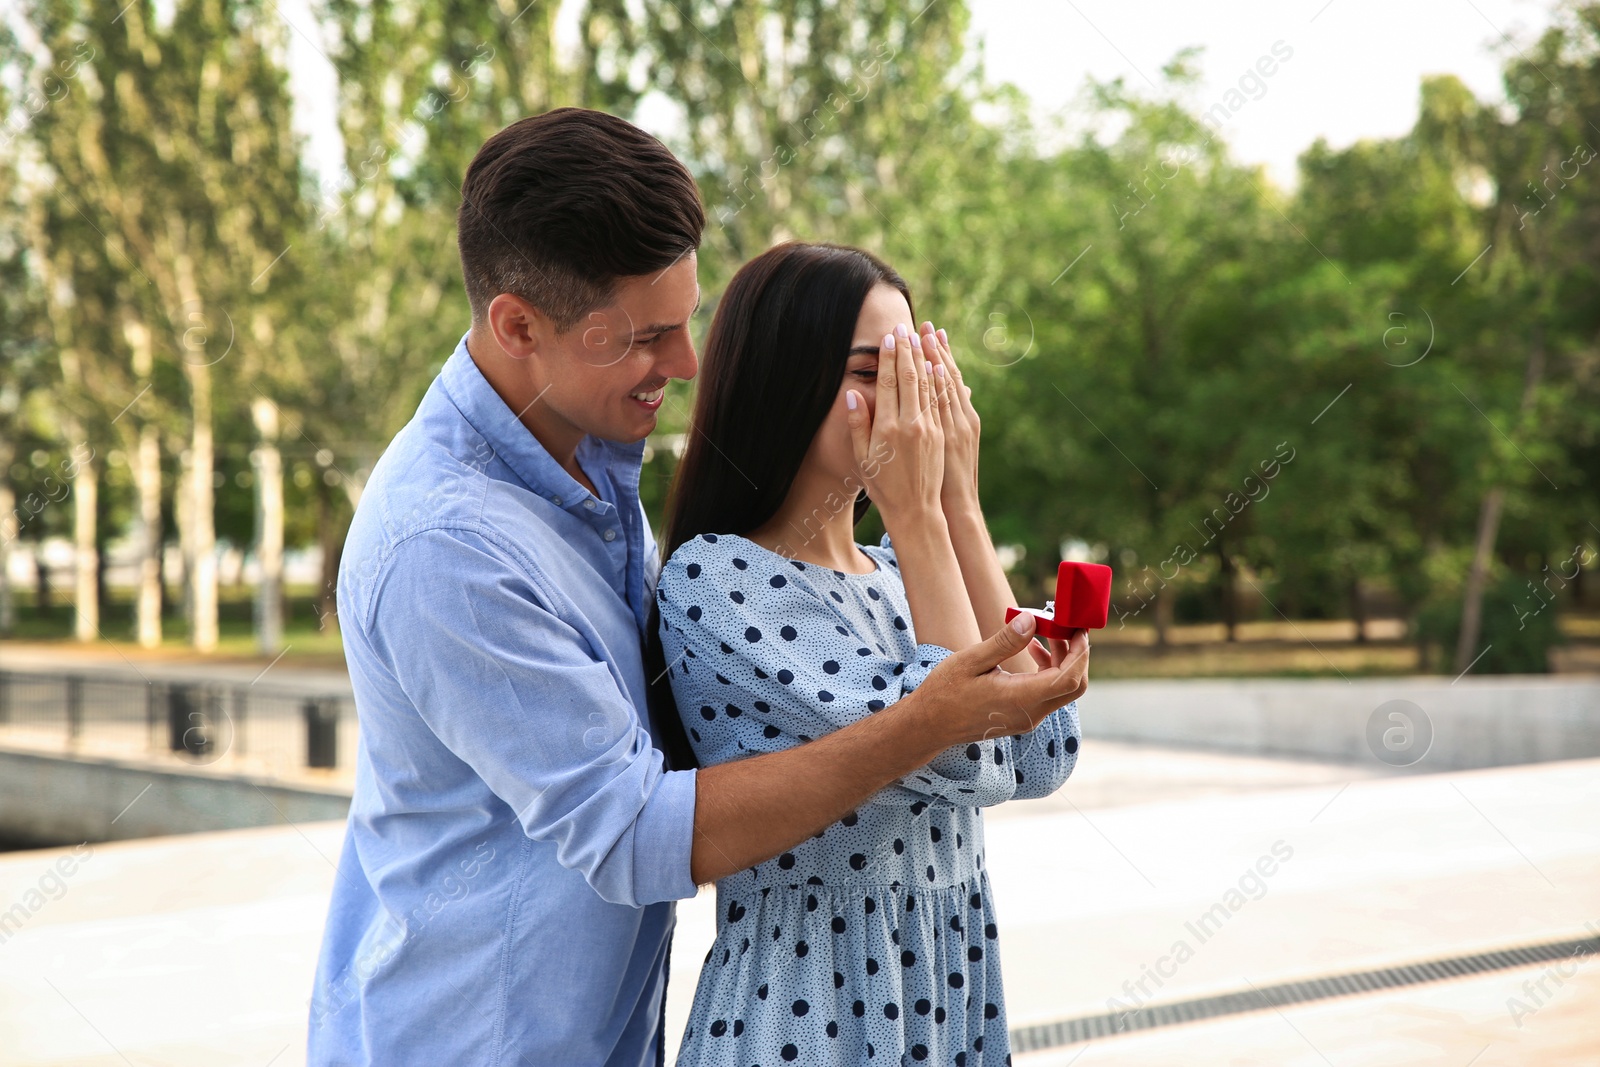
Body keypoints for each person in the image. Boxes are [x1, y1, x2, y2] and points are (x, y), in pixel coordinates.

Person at [307, 108, 1090, 1067]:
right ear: (517, 324)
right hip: (478, 1041)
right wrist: (928, 714)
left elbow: (1027, 753)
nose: (684, 365)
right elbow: (633, 830)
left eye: (686, 326)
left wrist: (952, 509)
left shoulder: (588, 469)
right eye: (645, 337)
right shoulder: (449, 548)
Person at [651, 242, 1086, 1066]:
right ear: (785, 385)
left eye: (914, 372)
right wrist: (922, 512)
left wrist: (959, 500)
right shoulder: (718, 577)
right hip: (814, 1014)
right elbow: (970, 756)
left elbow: (1039, 752)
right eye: (870, 374)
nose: (908, 410)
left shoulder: (897, 574)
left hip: (947, 992)